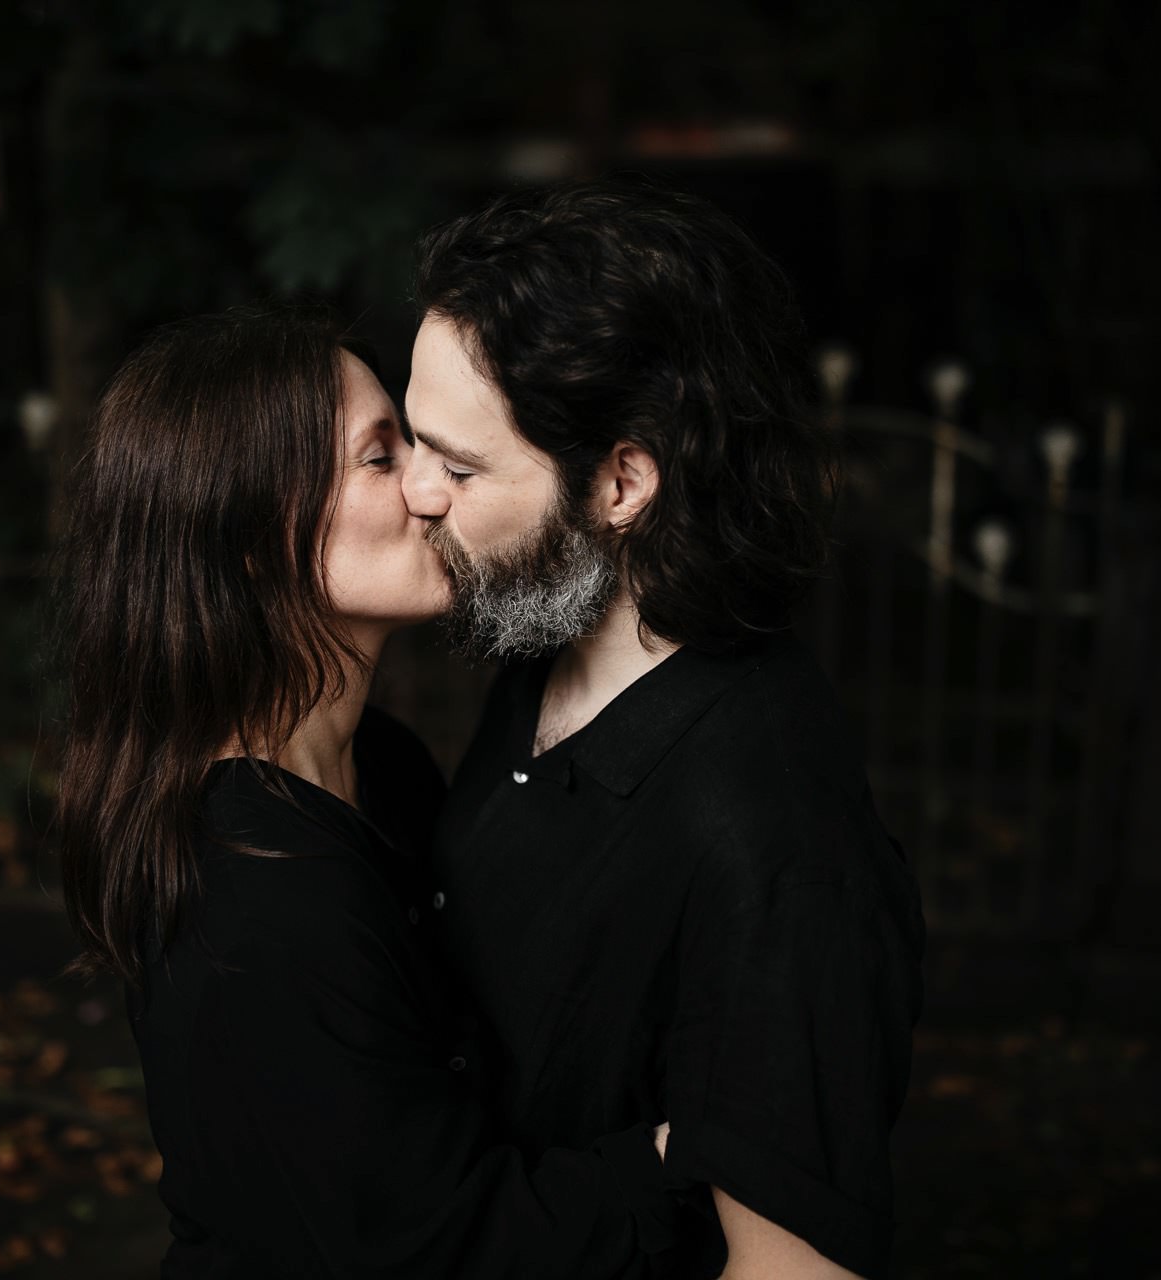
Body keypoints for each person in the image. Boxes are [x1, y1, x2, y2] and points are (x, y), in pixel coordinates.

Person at [49, 306, 678, 1278]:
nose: (433, 487)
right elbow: (440, 1246)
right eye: (381, 457)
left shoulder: (377, 764)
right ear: (254, 535)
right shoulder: (254, 896)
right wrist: (690, 1157)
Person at [401, 178, 926, 1280]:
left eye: (457, 465)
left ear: (623, 482)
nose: (413, 491)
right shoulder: (548, 642)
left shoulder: (771, 836)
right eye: (413, 443)